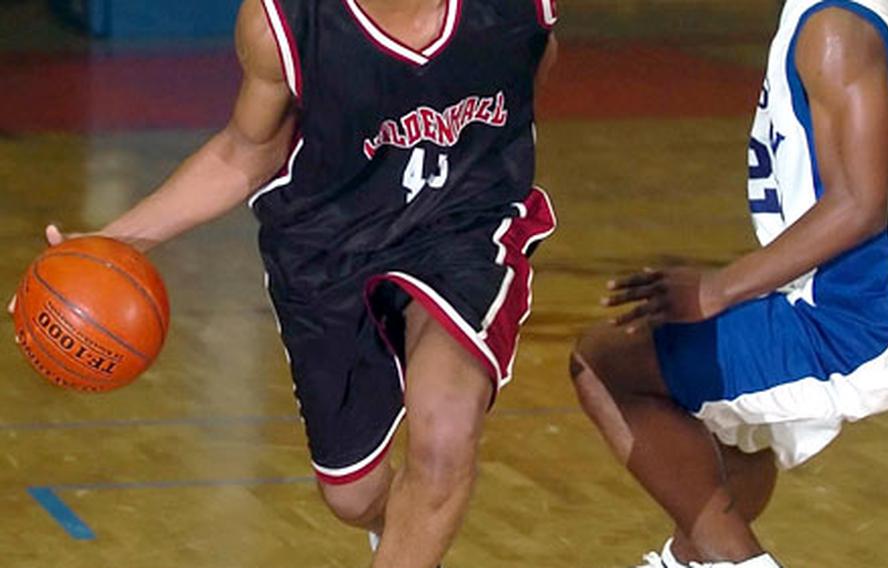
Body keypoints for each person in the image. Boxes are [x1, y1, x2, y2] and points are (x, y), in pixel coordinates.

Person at [8, 0, 558, 566]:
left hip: (464, 227)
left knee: (444, 428)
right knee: (353, 494)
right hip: (327, 246)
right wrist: (115, 242)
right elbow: (247, 150)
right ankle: (406, 538)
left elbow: (529, 68)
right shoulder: (283, 22)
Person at [570, 0, 888, 566]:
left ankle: (735, 561)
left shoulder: (835, 28)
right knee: (729, 436)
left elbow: (859, 204)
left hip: (863, 320)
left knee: (605, 364)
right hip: (854, 297)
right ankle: (692, 558)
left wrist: (718, 289)